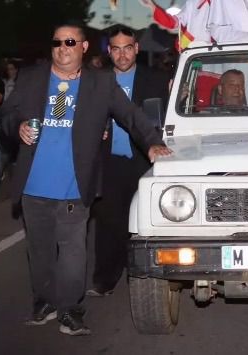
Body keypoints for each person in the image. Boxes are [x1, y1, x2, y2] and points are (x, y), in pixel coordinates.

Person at [0, 22, 172, 336]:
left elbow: (131, 115)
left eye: (70, 42)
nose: (62, 48)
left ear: (84, 47)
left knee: (73, 252)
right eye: (57, 43)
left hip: (74, 185)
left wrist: (151, 143)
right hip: (33, 186)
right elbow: (6, 116)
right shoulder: (32, 78)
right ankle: (44, 301)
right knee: (39, 253)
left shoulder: (100, 84)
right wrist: (18, 126)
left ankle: (70, 309)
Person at [87, 26, 170, 297]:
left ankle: (148, 276)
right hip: (108, 161)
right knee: (108, 222)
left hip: (143, 161)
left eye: (127, 48)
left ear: (136, 48)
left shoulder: (157, 80)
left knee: (146, 221)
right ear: (109, 51)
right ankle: (105, 279)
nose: (122, 55)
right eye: (116, 49)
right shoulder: (95, 81)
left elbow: (168, 121)